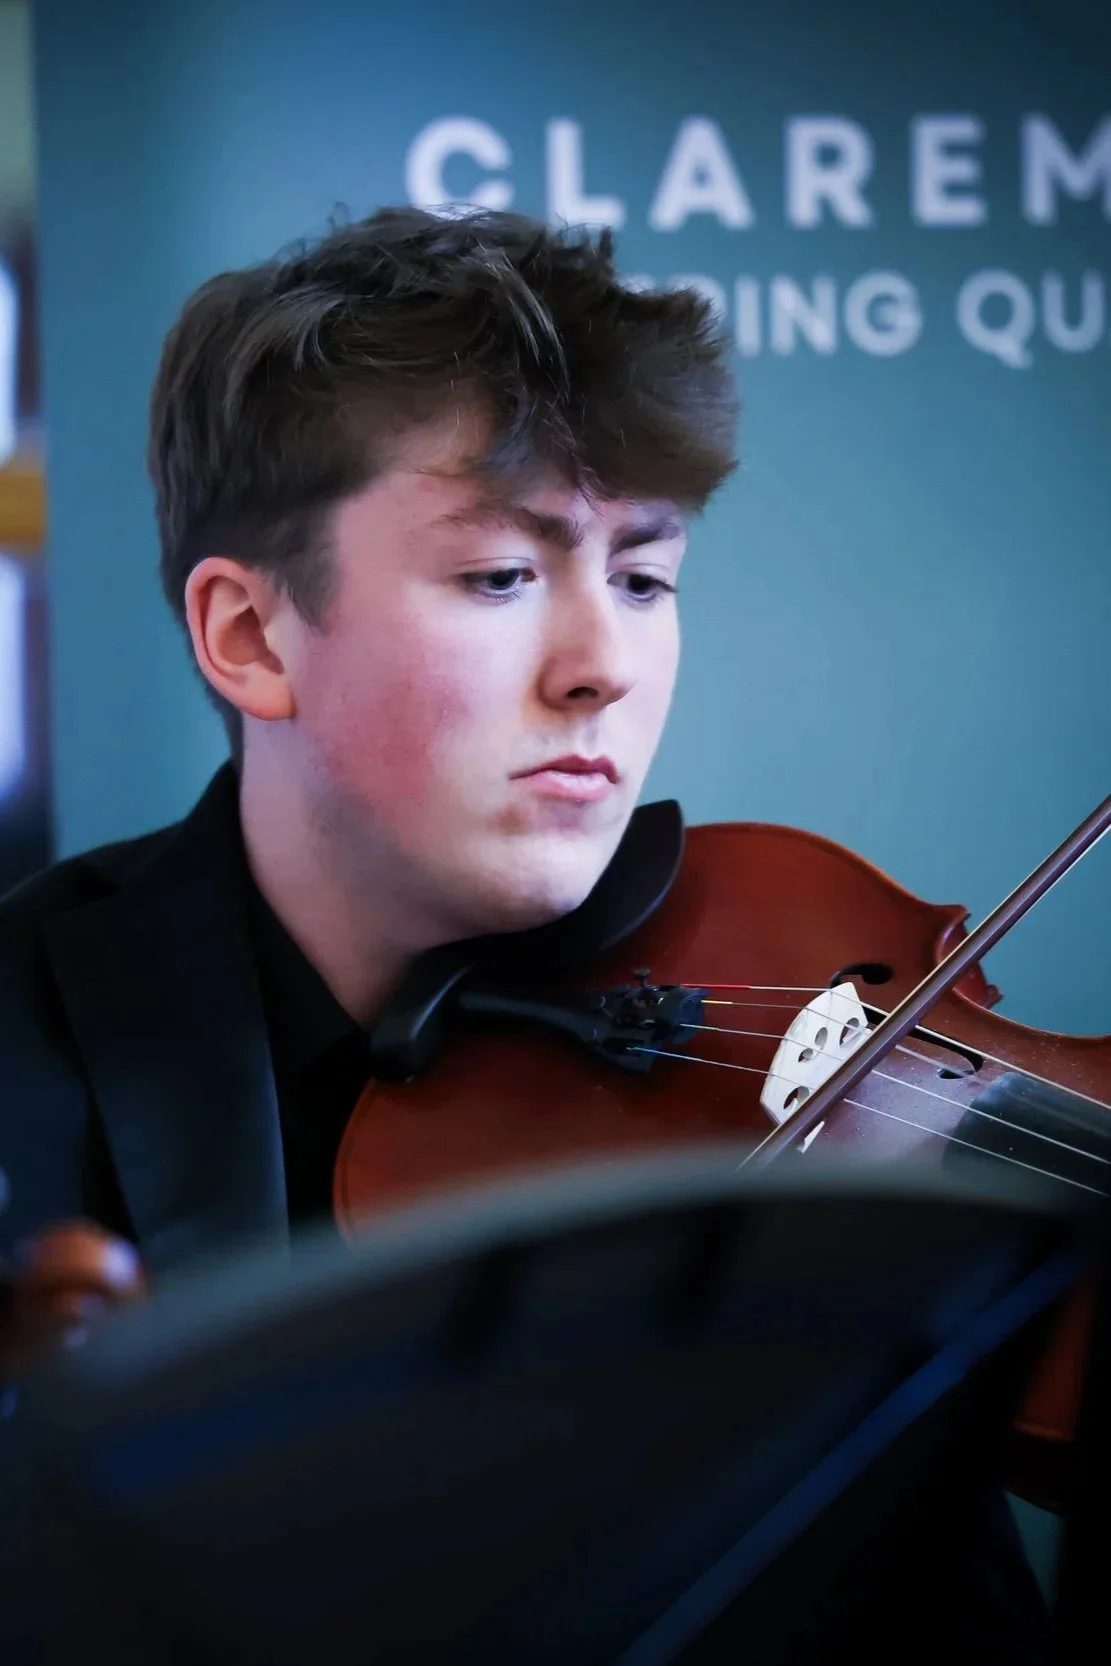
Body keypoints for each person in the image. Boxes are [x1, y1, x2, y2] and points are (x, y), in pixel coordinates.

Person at [0, 207, 1049, 1659]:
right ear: (249, 635)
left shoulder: (793, 1095)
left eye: (644, 575)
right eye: (500, 574)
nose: (603, 667)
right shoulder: (18, 1042)